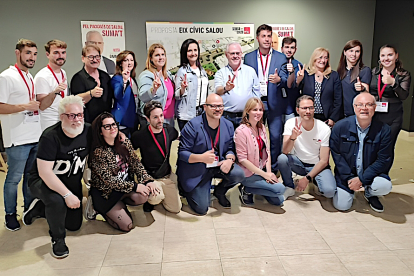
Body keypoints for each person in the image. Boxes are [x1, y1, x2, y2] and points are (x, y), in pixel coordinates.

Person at [24, 95, 89, 258]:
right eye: (71, 115)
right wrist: (67, 195)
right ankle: (57, 239)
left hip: (70, 180)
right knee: (56, 200)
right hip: (42, 180)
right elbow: (45, 172)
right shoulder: (50, 136)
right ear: (62, 117)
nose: (76, 119)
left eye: (80, 114)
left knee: (74, 225)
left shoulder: (88, 130)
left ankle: (40, 208)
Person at [177, 94, 245, 215]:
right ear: (205, 107)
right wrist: (201, 158)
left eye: (220, 106)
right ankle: (187, 189)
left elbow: (230, 148)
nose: (217, 109)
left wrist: (229, 159)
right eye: (213, 106)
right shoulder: (193, 125)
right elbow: (182, 154)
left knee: (238, 174)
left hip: (217, 164)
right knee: (202, 209)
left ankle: (220, 191)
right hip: (196, 168)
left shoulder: (228, 125)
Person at [88, 112, 156, 232]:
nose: (112, 128)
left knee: (144, 195)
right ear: (100, 131)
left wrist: (147, 180)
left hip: (123, 187)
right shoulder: (98, 152)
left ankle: (120, 205)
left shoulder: (124, 142)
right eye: (107, 126)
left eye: (114, 125)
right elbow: (110, 181)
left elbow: (136, 163)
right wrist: (135, 186)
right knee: (126, 226)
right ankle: (96, 207)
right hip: (106, 193)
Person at [0, 39, 42, 231]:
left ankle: (28, 209)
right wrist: (25, 106)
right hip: (17, 139)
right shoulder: (7, 77)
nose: (32, 57)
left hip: (33, 135)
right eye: (28, 53)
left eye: (34, 54)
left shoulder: (29, 76)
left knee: (30, 177)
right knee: (14, 178)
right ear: (18, 53)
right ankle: (10, 214)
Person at [330, 92, 393, 212]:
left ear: (375, 108)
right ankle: (350, 189)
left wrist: (362, 180)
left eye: (369, 105)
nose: (364, 108)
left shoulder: (384, 130)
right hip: (347, 175)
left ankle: (370, 193)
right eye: (360, 105)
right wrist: (349, 178)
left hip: (371, 175)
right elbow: (337, 156)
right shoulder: (340, 127)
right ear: (354, 107)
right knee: (342, 206)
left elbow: (383, 160)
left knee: (384, 186)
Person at [244, 24, 288, 172]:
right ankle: (256, 168)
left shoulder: (281, 57)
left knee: (275, 138)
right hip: (256, 103)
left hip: (274, 103)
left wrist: (279, 80)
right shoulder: (248, 57)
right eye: (263, 36)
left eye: (269, 36)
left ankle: (273, 169)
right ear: (257, 38)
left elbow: (286, 78)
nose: (267, 39)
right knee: (254, 138)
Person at [277, 95, 336, 200]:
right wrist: (293, 137)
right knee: (282, 158)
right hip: (299, 163)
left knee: (329, 192)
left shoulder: (324, 128)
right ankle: (289, 186)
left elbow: (324, 161)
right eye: (304, 108)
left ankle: (315, 180)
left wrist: (307, 178)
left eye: (311, 108)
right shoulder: (291, 123)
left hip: (317, 165)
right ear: (297, 110)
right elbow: (285, 151)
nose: (308, 111)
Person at [131, 101, 182, 213]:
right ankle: (150, 198)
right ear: (147, 119)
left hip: (167, 176)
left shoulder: (170, 131)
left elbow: (180, 140)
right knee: (155, 199)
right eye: (155, 117)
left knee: (176, 209)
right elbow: (131, 156)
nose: (160, 120)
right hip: (150, 177)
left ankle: (162, 192)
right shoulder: (139, 135)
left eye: (161, 116)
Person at [234, 98, 285, 206]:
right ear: (247, 111)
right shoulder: (241, 131)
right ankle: (246, 188)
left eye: (260, 110)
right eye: (254, 110)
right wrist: (265, 175)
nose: (258, 113)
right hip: (248, 173)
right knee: (280, 189)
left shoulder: (261, 127)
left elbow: (267, 152)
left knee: (279, 201)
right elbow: (242, 160)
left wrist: (269, 172)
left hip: (261, 171)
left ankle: (256, 188)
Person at [369, 44, 411, 150]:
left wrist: (393, 83)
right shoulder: (374, 72)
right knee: (372, 145)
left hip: (393, 116)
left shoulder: (403, 75)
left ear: (396, 56)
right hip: (374, 114)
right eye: (383, 55)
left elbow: (404, 96)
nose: (386, 58)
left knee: (387, 147)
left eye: (390, 55)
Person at [215, 42, 260, 129]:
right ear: (226, 55)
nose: (235, 56)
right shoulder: (220, 73)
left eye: (237, 53)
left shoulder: (250, 71)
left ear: (241, 54)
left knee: (245, 142)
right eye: (232, 53)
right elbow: (218, 90)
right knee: (226, 142)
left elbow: (257, 94)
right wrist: (226, 88)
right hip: (226, 117)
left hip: (246, 117)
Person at [295, 47, 342, 127]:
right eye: (320, 57)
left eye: (325, 58)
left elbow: (338, 99)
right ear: (314, 58)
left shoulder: (333, 76)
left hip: (326, 117)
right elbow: (296, 94)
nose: (323, 61)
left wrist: (333, 118)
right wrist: (298, 80)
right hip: (308, 115)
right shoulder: (306, 74)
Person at [70, 44, 114, 123]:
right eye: (91, 57)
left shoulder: (105, 76)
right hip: (87, 123)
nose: (95, 60)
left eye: (97, 56)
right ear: (83, 58)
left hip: (105, 123)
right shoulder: (78, 78)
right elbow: (75, 101)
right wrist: (91, 93)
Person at [175, 39, 210, 130]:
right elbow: (177, 95)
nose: (193, 53)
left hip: (202, 112)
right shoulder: (182, 71)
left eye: (195, 50)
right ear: (184, 53)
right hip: (187, 114)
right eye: (189, 51)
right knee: (188, 143)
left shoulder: (202, 70)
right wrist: (182, 88)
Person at [34, 39, 69, 131]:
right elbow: (42, 106)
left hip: (63, 120)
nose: (60, 56)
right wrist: (55, 92)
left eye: (63, 52)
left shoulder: (63, 73)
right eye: (56, 53)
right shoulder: (42, 76)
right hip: (48, 123)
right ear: (47, 55)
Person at [138, 44, 175, 126]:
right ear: (151, 58)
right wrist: (153, 89)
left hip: (169, 121)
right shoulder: (146, 75)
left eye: (163, 54)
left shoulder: (167, 75)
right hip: (153, 123)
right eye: (157, 55)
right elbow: (143, 97)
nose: (161, 57)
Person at [337, 40, 371, 117]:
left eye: (357, 51)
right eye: (351, 51)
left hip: (356, 115)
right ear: (345, 52)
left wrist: (362, 88)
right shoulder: (340, 72)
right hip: (340, 115)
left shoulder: (364, 70)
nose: (354, 54)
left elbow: (366, 94)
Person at [111, 50, 139, 136]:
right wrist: (124, 81)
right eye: (126, 60)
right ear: (120, 63)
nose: (129, 63)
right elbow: (117, 95)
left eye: (131, 60)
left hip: (133, 120)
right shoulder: (117, 79)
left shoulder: (133, 79)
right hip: (122, 121)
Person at [282, 36, 302, 123]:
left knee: (290, 132)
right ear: (282, 48)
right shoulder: (275, 63)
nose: (289, 50)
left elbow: (295, 85)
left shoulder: (298, 65)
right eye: (287, 47)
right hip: (276, 106)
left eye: (292, 47)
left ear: (295, 49)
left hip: (291, 106)